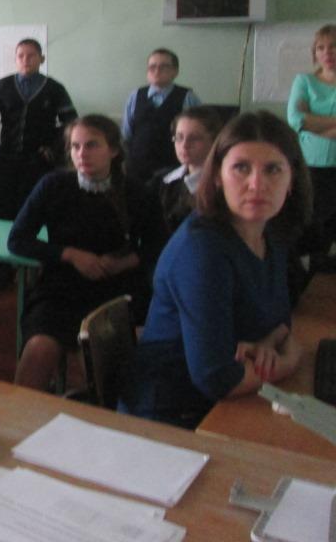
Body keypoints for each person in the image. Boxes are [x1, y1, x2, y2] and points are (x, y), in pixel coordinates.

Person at [119, 111, 308, 428]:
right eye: (241, 168)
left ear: (292, 181)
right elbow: (218, 379)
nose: (257, 184)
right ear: (218, 176)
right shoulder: (202, 249)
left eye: (273, 169)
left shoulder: (271, 233)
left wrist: (265, 345)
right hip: (170, 417)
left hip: (226, 401)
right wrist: (289, 359)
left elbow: (280, 322)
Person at [8, 115, 166, 392]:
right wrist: (70, 255)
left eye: (92, 145)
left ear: (113, 150)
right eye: (75, 146)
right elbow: (17, 240)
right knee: (38, 350)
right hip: (61, 288)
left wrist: (122, 263)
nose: (82, 153)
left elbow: (159, 245)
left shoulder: (138, 192)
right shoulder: (53, 185)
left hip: (116, 289)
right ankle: (19, 413)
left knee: (100, 364)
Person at [0, 38, 77, 221]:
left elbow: (72, 124)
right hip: (6, 158)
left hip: (39, 160)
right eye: (21, 56)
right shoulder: (2, 86)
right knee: (0, 210)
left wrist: (53, 146)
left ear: (42, 59)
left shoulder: (54, 89)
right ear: (15, 59)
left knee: (35, 210)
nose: (25, 60)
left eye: (31, 55)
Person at [287, 24, 336, 270]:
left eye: (334, 46)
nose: (328, 52)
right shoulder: (304, 81)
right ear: (315, 53)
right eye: (321, 47)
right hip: (312, 168)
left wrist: (314, 123)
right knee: (313, 228)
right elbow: (296, 119)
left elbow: (306, 121)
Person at [121, 48, 202, 183]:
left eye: (163, 67)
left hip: (173, 170)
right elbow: (126, 134)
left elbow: (198, 134)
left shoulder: (188, 97)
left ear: (175, 72)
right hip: (136, 170)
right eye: (152, 67)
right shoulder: (135, 96)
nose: (157, 71)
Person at [151, 106, 222, 233]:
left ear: (214, 141)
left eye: (194, 138)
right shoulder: (162, 180)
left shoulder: (221, 185)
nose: (184, 145)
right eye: (179, 137)